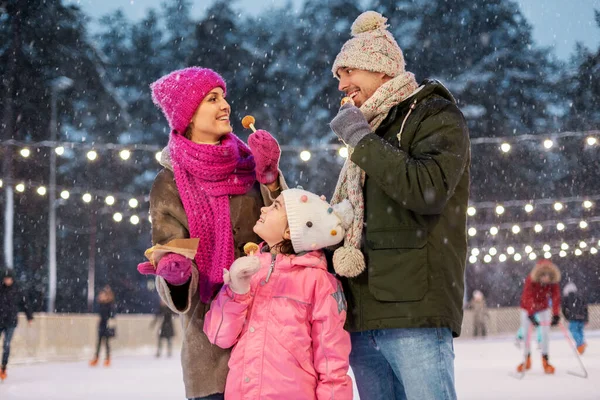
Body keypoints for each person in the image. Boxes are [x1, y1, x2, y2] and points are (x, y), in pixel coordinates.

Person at [327, 10, 470, 399]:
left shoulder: (434, 114)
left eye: (348, 72)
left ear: (379, 67)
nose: (342, 85)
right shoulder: (373, 128)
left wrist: (360, 139)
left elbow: (428, 190)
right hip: (361, 314)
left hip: (414, 313)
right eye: (338, 76)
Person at [137, 67, 287, 400]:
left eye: (224, 97)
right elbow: (171, 252)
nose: (226, 106)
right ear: (187, 115)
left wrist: (273, 180)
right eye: (212, 99)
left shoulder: (249, 165)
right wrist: (175, 273)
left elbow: (289, 231)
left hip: (269, 337)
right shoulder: (170, 182)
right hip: (211, 344)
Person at [204, 189, 354, 399]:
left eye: (275, 206)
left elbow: (332, 362)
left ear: (290, 231)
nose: (264, 208)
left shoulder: (318, 282)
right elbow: (218, 335)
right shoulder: (249, 270)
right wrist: (236, 291)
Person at [516, 259, 561, 374]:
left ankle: (545, 360)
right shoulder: (530, 280)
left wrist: (556, 314)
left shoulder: (552, 282)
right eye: (543, 275)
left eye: (548, 275)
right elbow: (528, 296)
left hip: (543, 307)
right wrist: (531, 314)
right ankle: (527, 359)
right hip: (527, 307)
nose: (546, 278)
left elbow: (555, 297)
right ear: (539, 274)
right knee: (526, 333)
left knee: (545, 333)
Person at [0, 269, 33, 381]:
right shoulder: (1, 289)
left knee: (6, 345)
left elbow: (25, 304)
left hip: (11, 321)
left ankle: (3, 367)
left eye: (8, 279)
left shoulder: (17, 290)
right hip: (0, 320)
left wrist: (29, 317)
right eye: (5, 279)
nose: (7, 281)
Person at [90, 285, 116, 367]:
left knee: (107, 343)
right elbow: (97, 311)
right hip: (101, 325)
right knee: (99, 343)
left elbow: (112, 315)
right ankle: (96, 358)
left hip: (107, 325)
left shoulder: (110, 305)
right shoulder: (100, 304)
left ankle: (107, 359)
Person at [562, 282, 588, 355]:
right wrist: (586, 318)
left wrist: (566, 317)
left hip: (573, 317)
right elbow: (585, 307)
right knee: (580, 330)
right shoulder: (580, 296)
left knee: (573, 330)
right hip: (582, 317)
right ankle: (581, 344)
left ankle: (580, 344)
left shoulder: (566, 297)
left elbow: (564, 308)